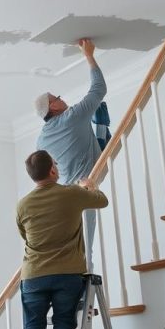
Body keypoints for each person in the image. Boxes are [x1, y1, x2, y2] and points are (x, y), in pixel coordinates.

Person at [16, 150, 108, 329]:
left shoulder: (23, 204)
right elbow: (102, 200)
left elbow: (24, 235)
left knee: (33, 326)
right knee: (64, 324)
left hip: (34, 274)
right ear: (53, 170)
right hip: (68, 273)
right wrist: (89, 184)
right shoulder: (72, 194)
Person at [35, 38, 107, 267]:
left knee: (73, 249)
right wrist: (88, 55)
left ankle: (82, 302)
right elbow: (99, 89)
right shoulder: (71, 116)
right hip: (81, 192)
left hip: (62, 198)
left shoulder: (42, 139)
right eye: (57, 98)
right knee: (85, 249)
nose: (61, 98)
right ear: (53, 107)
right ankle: (85, 302)